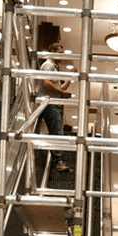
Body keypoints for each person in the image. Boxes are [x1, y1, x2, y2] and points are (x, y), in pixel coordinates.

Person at [38, 42, 74, 172]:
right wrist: (60, 93)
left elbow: (59, 87)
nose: (62, 56)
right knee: (56, 132)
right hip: (50, 104)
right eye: (60, 53)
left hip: (53, 103)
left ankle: (58, 160)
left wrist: (69, 79)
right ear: (52, 52)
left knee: (58, 131)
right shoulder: (48, 65)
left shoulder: (53, 67)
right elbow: (46, 82)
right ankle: (58, 161)